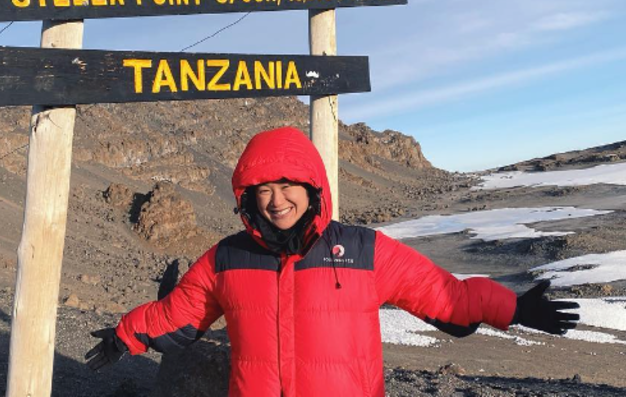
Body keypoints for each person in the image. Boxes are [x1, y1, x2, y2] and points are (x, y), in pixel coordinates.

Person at [86, 126, 579, 396]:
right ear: (247, 197)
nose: (276, 201)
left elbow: (446, 296)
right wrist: (124, 333)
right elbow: (179, 312)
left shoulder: (364, 251)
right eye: (263, 190)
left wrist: (511, 309)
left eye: (287, 186)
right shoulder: (227, 257)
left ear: (311, 188)